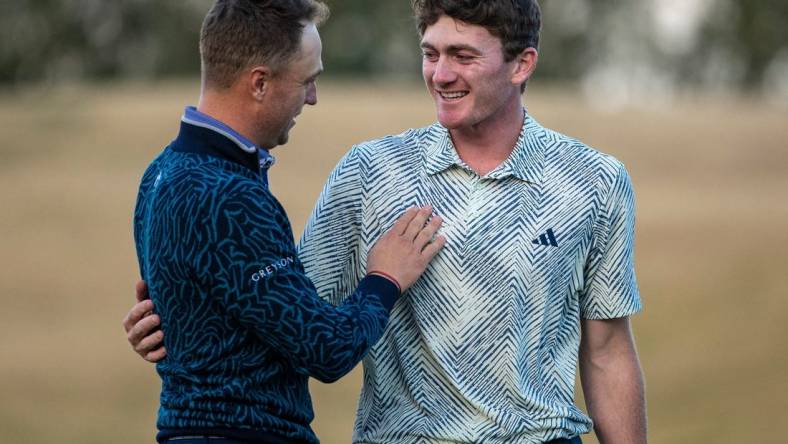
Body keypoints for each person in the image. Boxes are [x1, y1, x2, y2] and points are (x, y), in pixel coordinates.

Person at [126, 0, 647, 443]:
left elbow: (606, 351)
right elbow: (293, 320)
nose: (441, 74)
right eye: (431, 53)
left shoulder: (594, 181)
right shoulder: (369, 172)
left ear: (521, 64)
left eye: (463, 56)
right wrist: (181, 322)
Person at [127, 0, 446, 443]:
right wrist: (385, 276)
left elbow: (204, 310)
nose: (312, 98)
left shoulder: (162, 172)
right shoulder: (228, 196)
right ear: (259, 82)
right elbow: (327, 349)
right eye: (307, 81)